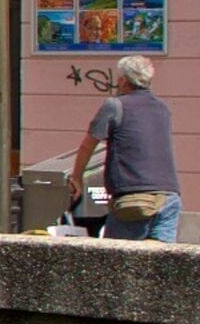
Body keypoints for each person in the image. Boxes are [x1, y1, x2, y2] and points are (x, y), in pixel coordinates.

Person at [70, 55, 184, 242]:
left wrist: (77, 178)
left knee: (117, 263)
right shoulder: (162, 108)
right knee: (161, 264)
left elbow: (87, 145)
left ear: (123, 81)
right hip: (169, 196)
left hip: (134, 198)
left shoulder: (114, 105)